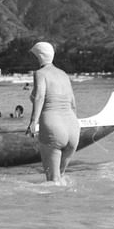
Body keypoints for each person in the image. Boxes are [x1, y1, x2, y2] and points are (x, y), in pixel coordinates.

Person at [26, 41, 79, 184]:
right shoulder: (63, 75)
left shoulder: (40, 73)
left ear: (38, 56)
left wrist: (33, 122)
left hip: (53, 126)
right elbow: (73, 104)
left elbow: (39, 97)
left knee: (51, 181)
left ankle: (51, 207)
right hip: (73, 128)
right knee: (61, 179)